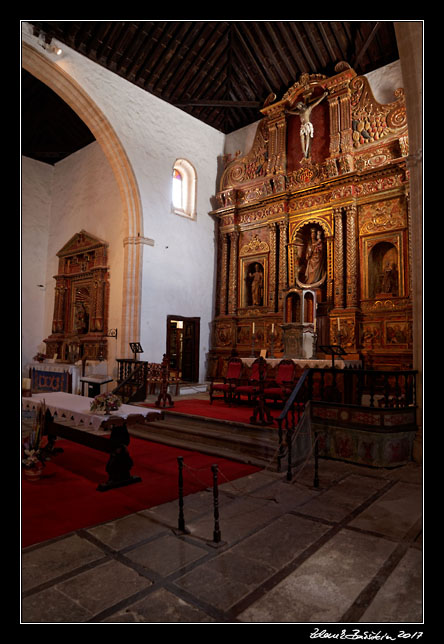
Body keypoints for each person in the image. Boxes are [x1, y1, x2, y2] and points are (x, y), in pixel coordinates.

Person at [287, 90, 328, 158]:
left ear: (302, 104)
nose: (299, 107)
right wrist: (288, 111)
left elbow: (316, 103)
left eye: (299, 106)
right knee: (302, 138)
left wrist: (323, 96)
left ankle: (307, 151)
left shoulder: (308, 109)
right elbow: (293, 113)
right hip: (302, 126)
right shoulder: (300, 113)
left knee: (308, 137)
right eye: (298, 107)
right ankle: (304, 152)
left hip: (307, 124)